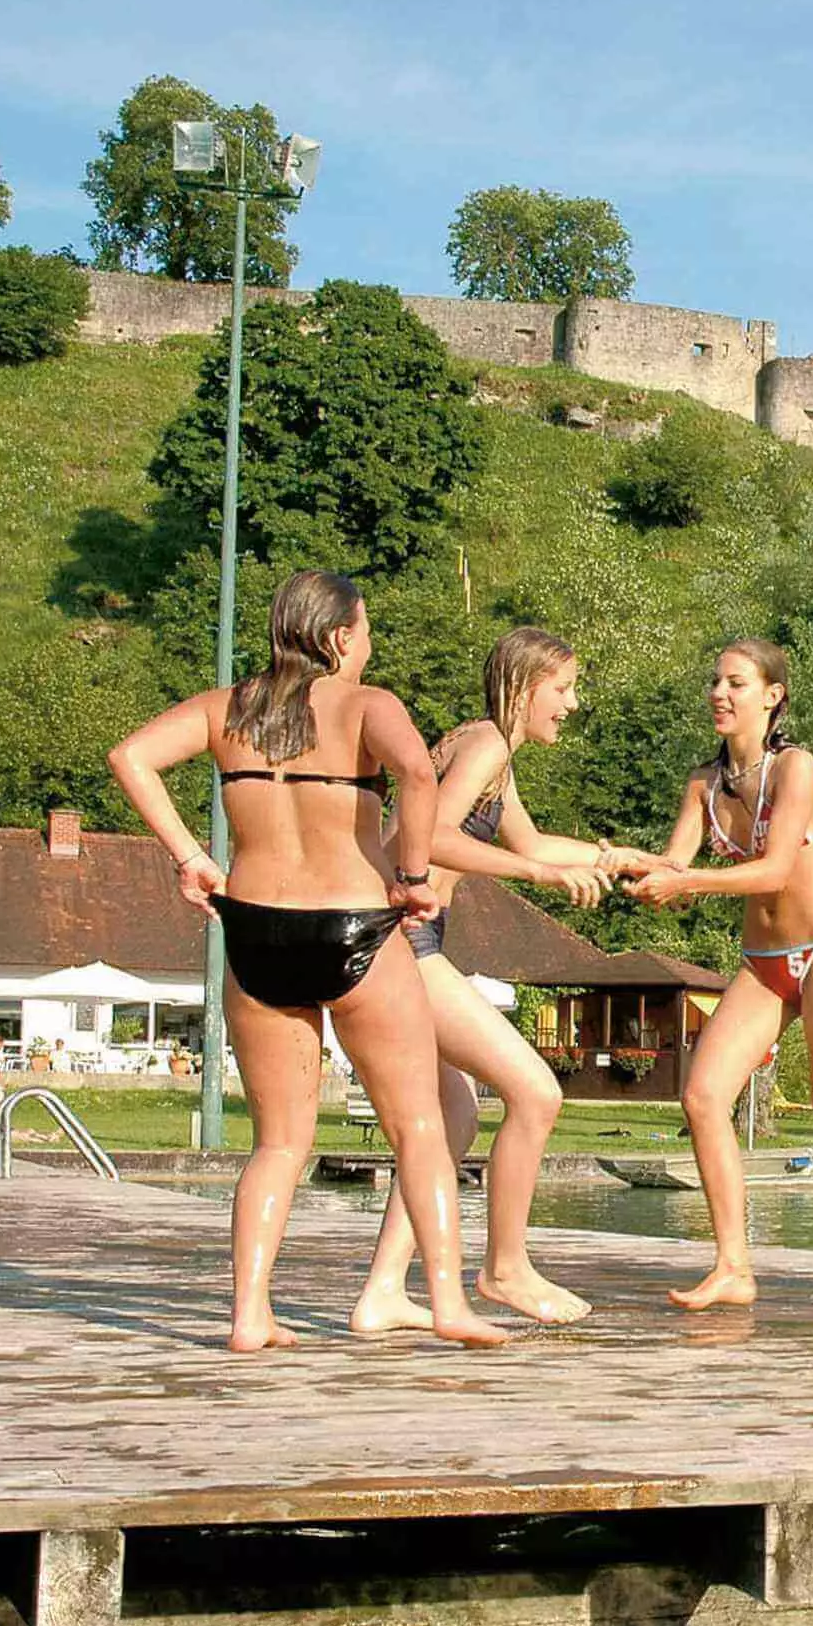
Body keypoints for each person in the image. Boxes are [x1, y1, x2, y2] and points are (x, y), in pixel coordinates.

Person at [108, 569, 508, 1354]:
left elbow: (131, 757)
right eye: (364, 631)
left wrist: (190, 854)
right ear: (337, 638)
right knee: (420, 1124)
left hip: (255, 930)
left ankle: (249, 1314)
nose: (370, 645)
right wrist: (417, 877)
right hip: (353, 925)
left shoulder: (231, 707)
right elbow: (420, 773)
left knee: (279, 1143)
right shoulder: (366, 704)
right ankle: (452, 1304)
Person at [349, 626, 648, 1337]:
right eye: (564, 688)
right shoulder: (484, 744)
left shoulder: (491, 755)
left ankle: (384, 1290)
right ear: (525, 685)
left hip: (407, 941)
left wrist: (623, 858)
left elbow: (534, 843)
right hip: (403, 942)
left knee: (451, 1117)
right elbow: (429, 841)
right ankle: (504, 1266)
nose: (573, 704)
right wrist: (543, 876)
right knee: (535, 1090)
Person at [630, 637, 813, 1317]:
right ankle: (732, 1266)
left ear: (773, 696)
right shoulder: (703, 782)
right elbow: (676, 867)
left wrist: (687, 880)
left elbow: (777, 870)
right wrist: (619, 865)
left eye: (736, 683)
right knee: (701, 1097)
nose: (719, 694)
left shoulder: (796, 769)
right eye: (715, 682)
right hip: (763, 964)